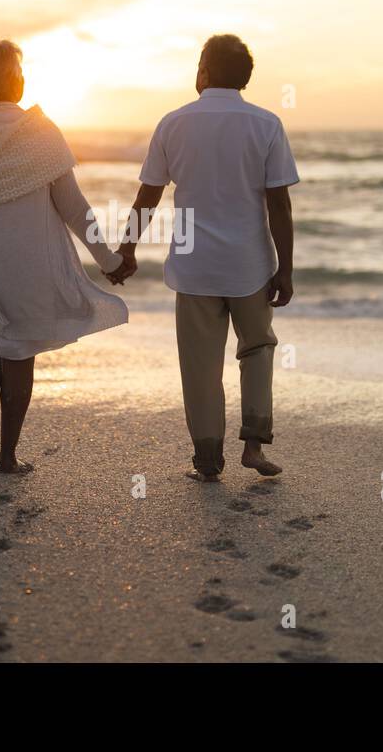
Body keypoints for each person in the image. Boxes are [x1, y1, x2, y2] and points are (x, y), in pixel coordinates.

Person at [0, 36, 130, 474]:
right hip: (27, 258)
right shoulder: (39, 129)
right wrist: (108, 260)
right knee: (19, 354)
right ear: (14, 78)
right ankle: (8, 456)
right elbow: (74, 208)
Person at [117, 34, 298, 481]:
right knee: (257, 349)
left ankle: (207, 459)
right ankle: (254, 446)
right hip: (250, 264)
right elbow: (279, 204)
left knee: (200, 365)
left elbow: (148, 195)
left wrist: (127, 248)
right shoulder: (266, 124)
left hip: (194, 264)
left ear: (204, 71)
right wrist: (286, 268)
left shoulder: (174, 123)